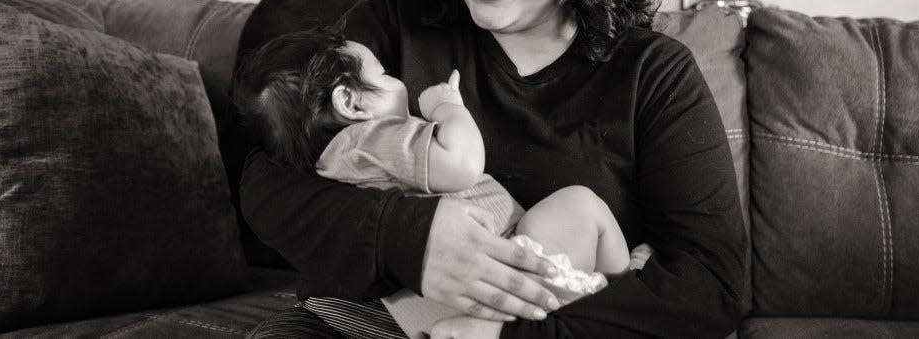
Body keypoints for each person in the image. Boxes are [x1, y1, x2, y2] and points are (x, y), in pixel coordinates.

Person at [241, 0, 745, 338]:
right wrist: (411, 241)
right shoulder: (396, 20)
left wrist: (507, 337)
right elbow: (266, 186)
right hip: (358, 322)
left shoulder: (653, 73)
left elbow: (709, 286)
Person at [232, 26, 640, 338]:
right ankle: (625, 282)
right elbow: (461, 163)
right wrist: (448, 109)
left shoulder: (334, 162)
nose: (397, 81)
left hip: (422, 306)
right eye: (385, 74)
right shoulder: (374, 139)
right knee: (580, 205)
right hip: (501, 258)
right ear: (351, 103)